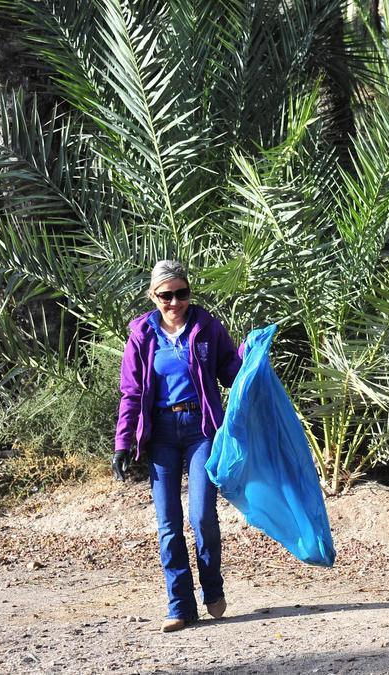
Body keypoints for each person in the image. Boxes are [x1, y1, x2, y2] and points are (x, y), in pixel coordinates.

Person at [113, 261, 243, 632]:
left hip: (201, 428)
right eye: (166, 295)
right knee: (168, 523)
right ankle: (180, 605)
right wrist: (123, 443)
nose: (174, 302)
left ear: (189, 293)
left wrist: (253, 360)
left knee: (202, 514)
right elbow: (132, 392)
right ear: (153, 296)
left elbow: (231, 371)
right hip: (162, 433)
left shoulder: (206, 328)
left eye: (181, 293)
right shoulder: (142, 334)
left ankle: (212, 588)